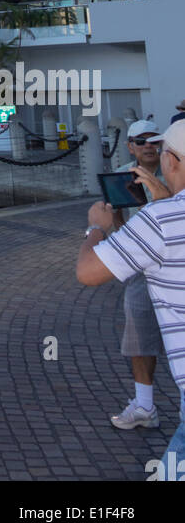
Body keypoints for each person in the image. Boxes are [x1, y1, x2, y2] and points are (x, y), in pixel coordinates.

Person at [77, 118, 185, 475]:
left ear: (173, 161)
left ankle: (144, 405)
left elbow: (88, 272)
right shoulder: (164, 211)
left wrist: (96, 228)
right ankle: (144, 403)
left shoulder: (161, 218)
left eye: (162, 148)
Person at [108, 120, 172, 430]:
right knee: (138, 335)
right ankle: (145, 405)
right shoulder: (121, 173)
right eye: (141, 141)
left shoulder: (176, 169)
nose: (149, 145)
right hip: (140, 269)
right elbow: (119, 221)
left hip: (176, 264)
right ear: (130, 145)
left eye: (153, 140)